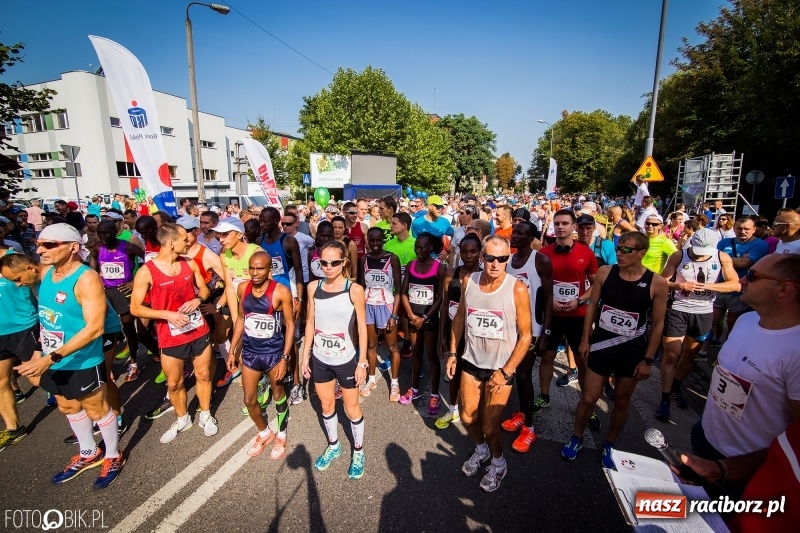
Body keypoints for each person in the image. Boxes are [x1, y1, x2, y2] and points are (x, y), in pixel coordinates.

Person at [10, 224, 124, 488]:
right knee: (67, 406)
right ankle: (88, 451)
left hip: (81, 357)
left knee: (96, 409)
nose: (41, 250)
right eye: (39, 244)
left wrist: (49, 358)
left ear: (73, 247)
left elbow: (94, 328)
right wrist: (39, 350)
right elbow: (47, 317)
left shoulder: (86, 279)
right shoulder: (46, 272)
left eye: (49, 244)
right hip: (54, 355)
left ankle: (112, 454)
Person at [691, 254, 800, 487]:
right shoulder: (747, 320)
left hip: (745, 471)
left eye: (752, 276)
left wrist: (728, 469)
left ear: (784, 289)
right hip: (704, 436)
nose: (741, 280)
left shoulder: (796, 351)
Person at [562, 231, 668, 467]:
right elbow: (592, 306)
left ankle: (609, 442)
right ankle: (576, 437)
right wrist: (585, 339)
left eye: (626, 250)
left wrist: (648, 360)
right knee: (589, 397)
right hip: (602, 345)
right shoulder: (605, 272)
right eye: (619, 248)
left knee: (621, 401)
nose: (619, 253)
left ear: (641, 253)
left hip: (632, 351)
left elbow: (658, 323)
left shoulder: (657, 283)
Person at [446, 235, 532, 492]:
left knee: (490, 425)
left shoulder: (517, 288)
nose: (496, 264)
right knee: (467, 416)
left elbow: (526, 335)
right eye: (491, 258)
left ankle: (498, 463)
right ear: (482, 257)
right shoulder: (469, 281)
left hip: (500, 367)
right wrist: (452, 353)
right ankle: (481, 450)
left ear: (508, 259)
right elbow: (460, 317)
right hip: (471, 361)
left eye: (502, 258)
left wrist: (507, 371)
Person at [130, 223, 218, 444]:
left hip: (197, 329)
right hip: (170, 335)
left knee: (204, 375)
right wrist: (167, 315)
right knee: (175, 383)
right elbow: (135, 308)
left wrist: (198, 299)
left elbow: (205, 288)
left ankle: (206, 415)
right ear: (171, 243)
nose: (188, 241)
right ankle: (182, 419)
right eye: (184, 239)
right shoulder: (146, 271)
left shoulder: (189, 263)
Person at [656, 228, 741, 421]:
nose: (701, 256)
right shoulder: (679, 255)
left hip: (703, 312)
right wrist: (679, 285)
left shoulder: (722, 257)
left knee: (690, 355)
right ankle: (665, 398)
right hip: (678, 308)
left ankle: (676, 387)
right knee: (671, 354)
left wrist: (707, 286)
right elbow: (662, 281)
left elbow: (735, 284)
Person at [301, 240, 368, 479]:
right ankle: (334, 445)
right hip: (321, 358)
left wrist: (362, 363)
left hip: (346, 359)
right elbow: (310, 322)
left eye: (334, 263)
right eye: (324, 263)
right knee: (327, 405)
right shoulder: (313, 287)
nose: (328, 267)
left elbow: (362, 327)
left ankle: (358, 451)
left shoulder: (354, 290)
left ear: (344, 262)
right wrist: (305, 356)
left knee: (351, 408)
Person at [228, 251, 295, 459]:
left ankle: (281, 435)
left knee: (278, 395)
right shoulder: (242, 288)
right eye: (252, 268)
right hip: (250, 353)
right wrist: (232, 350)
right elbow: (241, 319)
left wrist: (285, 358)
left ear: (269, 270)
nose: (255, 273)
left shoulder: (281, 291)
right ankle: (265, 433)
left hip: (273, 353)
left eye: (260, 268)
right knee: (249, 400)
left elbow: (290, 325)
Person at [537, 210, 600, 427]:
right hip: (552, 316)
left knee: (583, 361)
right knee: (547, 357)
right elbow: (538, 284)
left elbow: (596, 285)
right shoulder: (544, 253)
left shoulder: (586, 253)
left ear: (574, 227)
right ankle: (544, 396)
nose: (560, 227)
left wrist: (580, 300)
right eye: (557, 223)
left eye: (565, 223)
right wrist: (549, 300)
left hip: (577, 315)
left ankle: (588, 405)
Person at [501, 221, 553, 452]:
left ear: (531, 238)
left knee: (523, 375)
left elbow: (549, 299)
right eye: (514, 232)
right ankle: (522, 413)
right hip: (510, 328)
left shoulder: (540, 260)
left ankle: (530, 428)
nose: (515, 236)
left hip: (533, 329)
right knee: (513, 374)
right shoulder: (509, 261)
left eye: (521, 234)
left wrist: (546, 333)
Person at [436, 234, 483, 430]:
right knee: (453, 372)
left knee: (475, 375)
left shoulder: (485, 276)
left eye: (473, 251)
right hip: (454, 332)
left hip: (476, 334)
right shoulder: (450, 274)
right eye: (464, 251)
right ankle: (453, 409)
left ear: (480, 253)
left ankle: (477, 412)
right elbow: (444, 304)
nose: (468, 255)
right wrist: (442, 335)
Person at [398, 233, 446, 414]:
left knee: (432, 356)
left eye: (422, 247)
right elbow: (403, 293)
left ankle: (434, 394)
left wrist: (424, 318)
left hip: (429, 318)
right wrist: (411, 315)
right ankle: (414, 388)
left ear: (431, 247)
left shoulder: (439, 268)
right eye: (416, 247)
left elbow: (440, 297)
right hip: (413, 317)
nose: (418, 250)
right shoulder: (411, 265)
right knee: (416, 353)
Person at [90, 220, 145, 382]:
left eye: (106, 233)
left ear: (115, 232)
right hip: (106, 293)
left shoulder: (128, 247)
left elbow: (148, 261)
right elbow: (92, 267)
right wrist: (95, 279)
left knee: (129, 328)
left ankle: (133, 364)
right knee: (104, 329)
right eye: (100, 233)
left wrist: (135, 281)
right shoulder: (97, 248)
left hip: (124, 292)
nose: (102, 236)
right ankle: (107, 367)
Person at [0, 242, 39, 452]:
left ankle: (86, 412)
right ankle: (13, 428)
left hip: (24, 327)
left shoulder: (14, 259)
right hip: (0, 332)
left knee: (38, 379)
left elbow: (37, 283)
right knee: (1, 382)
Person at [709, 217, 769, 346]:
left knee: (733, 322)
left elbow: (745, 264)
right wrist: (739, 260)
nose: (743, 231)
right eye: (739, 228)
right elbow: (715, 260)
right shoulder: (724, 242)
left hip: (741, 290)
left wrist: (724, 259)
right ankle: (706, 347)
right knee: (713, 320)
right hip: (720, 286)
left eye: (747, 229)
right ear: (734, 229)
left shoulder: (761, 245)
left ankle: (730, 345)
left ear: (754, 229)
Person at [218, 217, 262, 386]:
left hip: (258, 307)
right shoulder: (224, 254)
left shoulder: (256, 252)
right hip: (239, 306)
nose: (221, 239)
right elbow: (229, 287)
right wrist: (237, 318)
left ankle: (262, 381)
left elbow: (268, 286)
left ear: (239, 234)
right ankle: (243, 374)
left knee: (256, 346)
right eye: (219, 235)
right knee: (231, 336)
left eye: (225, 234)